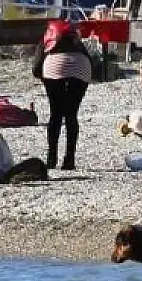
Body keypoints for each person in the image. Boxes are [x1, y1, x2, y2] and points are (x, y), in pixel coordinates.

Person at [33, 19, 92, 170]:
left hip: (54, 67)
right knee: (71, 114)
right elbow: (90, 61)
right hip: (81, 67)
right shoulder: (77, 41)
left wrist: (45, 78)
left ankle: (51, 158)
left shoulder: (46, 38)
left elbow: (36, 68)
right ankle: (69, 160)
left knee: (56, 114)